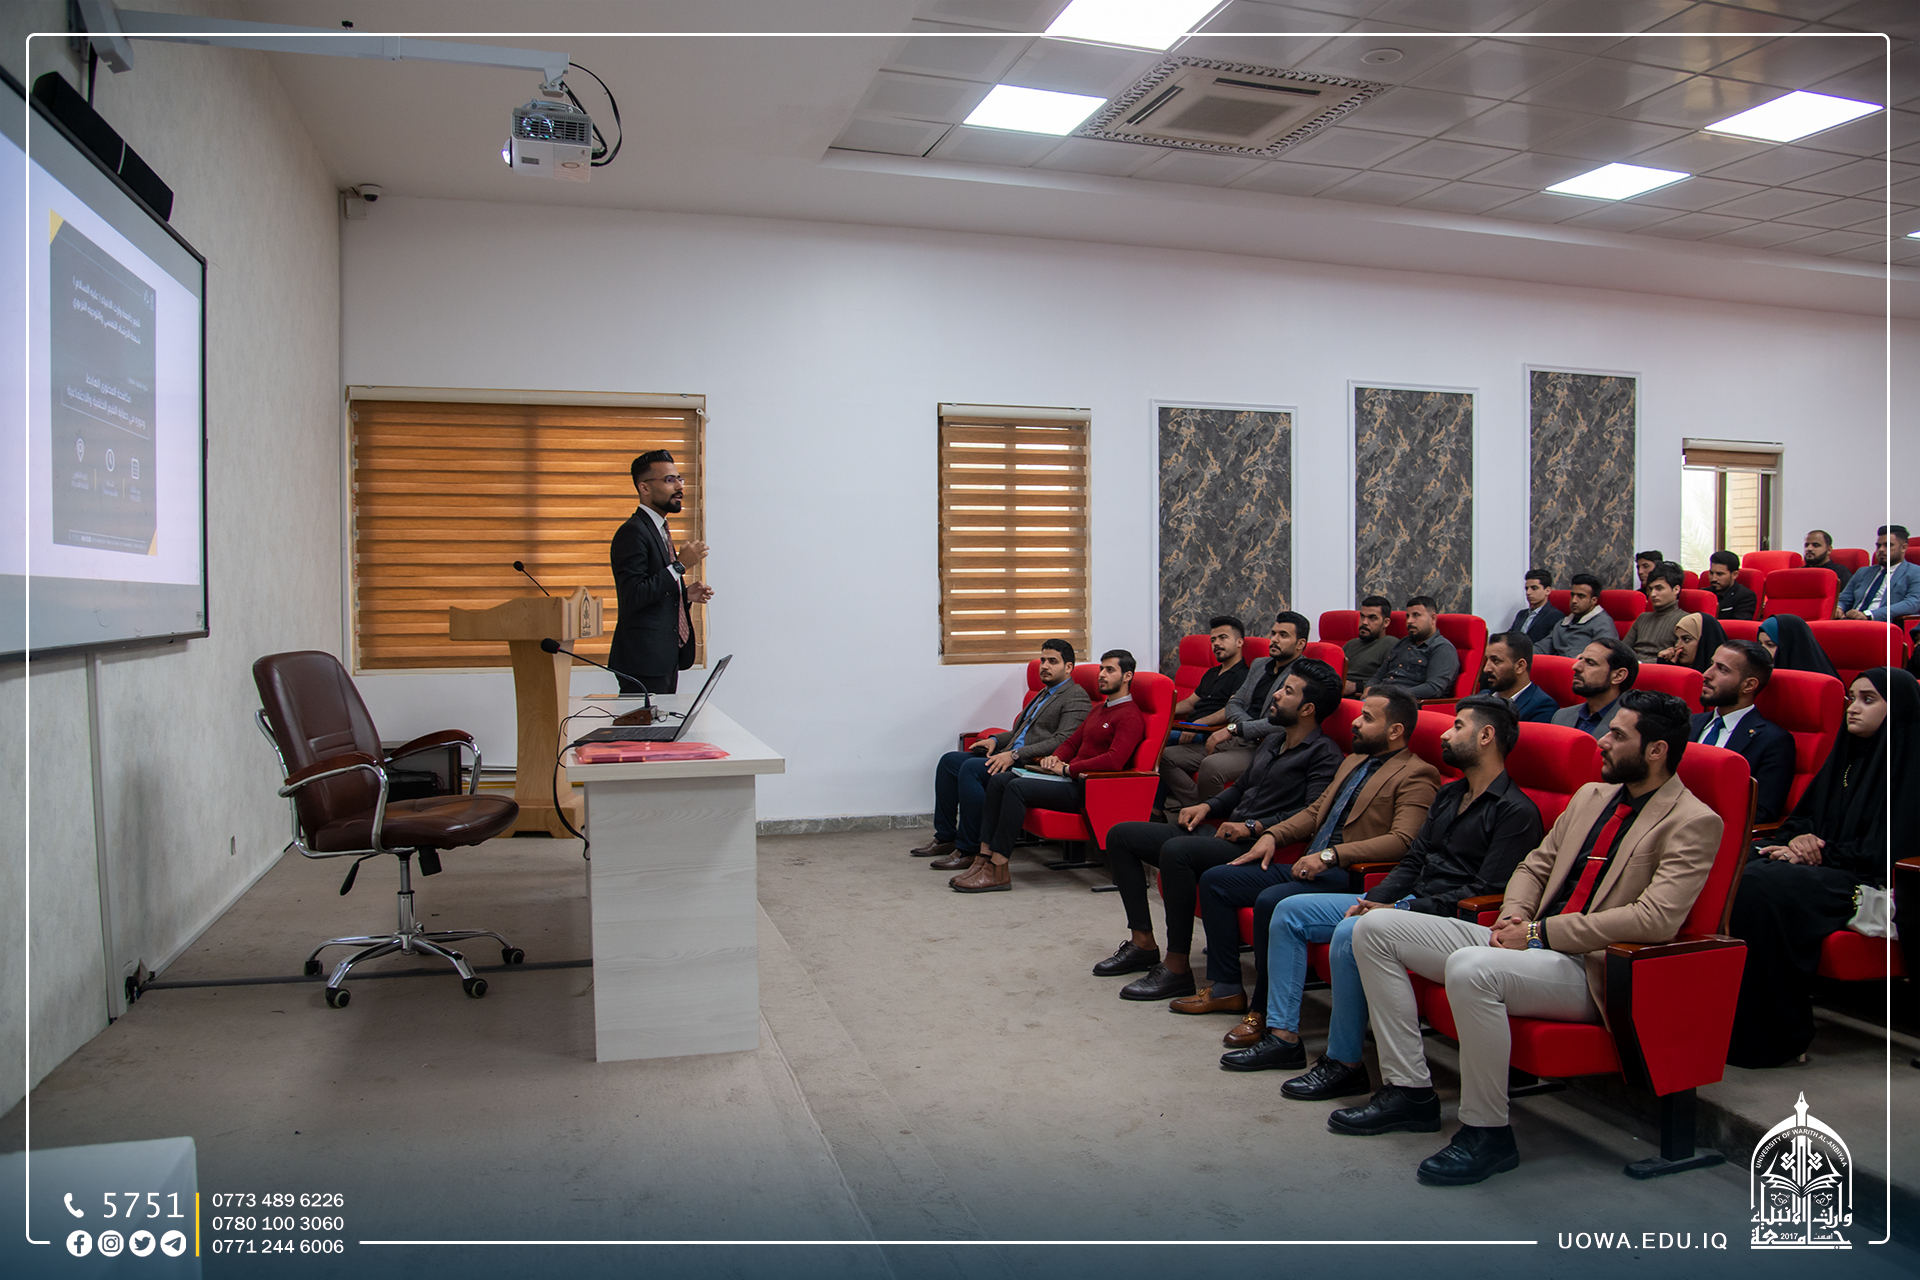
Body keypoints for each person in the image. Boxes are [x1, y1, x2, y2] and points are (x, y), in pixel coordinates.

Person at [1343, 690, 1720, 1186]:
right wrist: (1515, 916)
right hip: (1528, 943)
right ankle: (1410, 1091)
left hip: (1593, 969)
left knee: (1471, 968)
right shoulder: (1592, 797)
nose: (1602, 741)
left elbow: (1655, 920)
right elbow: (1533, 866)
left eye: (1617, 734)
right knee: (1374, 929)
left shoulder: (1694, 821)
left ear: (1656, 750)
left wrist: (1540, 932)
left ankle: (1488, 1132)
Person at [1218, 696, 1543, 1095]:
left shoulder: (1516, 812)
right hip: (1405, 903)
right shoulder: (1450, 795)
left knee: (1351, 930)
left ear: (1486, 736)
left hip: (1448, 920)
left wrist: (1397, 907)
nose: (1445, 734)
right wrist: (1376, 898)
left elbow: (1483, 892)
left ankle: (1344, 1062)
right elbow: (1413, 861)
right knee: (1288, 912)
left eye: (1458, 726)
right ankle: (1282, 1037)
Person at [1180, 687, 1440, 1024]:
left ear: (1395, 730)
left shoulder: (1417, 774)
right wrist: (1271, 834)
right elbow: (1316, 811)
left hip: (1349, 874)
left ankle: (1262, 1010)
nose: (1355, 723)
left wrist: (1332, 856)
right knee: (1216, 880)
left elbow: (1402, 841)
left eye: (1367, 718)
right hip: (1308, 863)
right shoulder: (1355, 760)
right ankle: (1227, 987)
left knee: (1270, 900)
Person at [1094, 661, 1343, 999]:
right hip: (1227, 833)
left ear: (1307, 709)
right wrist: (1208, 807)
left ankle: (1177, 966)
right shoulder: (1274, 740)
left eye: (1287, 691)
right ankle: (1143, 943)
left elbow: (1311, 815)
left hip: (1262, 848)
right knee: (1121, 836)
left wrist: (1254, 827)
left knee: (1177, 852)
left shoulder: (1324, 754)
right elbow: (1240, 789)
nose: (1276, 695)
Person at [1727, 668, 1918, 1068]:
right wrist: (1797, 841)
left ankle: (1778, 1036)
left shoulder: (1910, 766)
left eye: (1868, 700)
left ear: (1896, 709)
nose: (1853, 708)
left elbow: (1885, 851)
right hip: (1824, 866)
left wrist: (1817, 851)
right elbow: (1802, 818)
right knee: (1740, 867)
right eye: (1852, 698)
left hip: (1866, 881)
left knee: (1761, 890)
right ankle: (1723, 1022)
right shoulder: (1846, 755)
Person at [952, 651, 1146, 894]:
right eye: (1101, 669)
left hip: (1088, 788)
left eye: (1110, 670)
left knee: (1015, 787)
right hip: (1069, 779)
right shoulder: (1100, 710)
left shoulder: (1130, 715)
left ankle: (998, 869)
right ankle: (983, 858)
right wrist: (1057, 757)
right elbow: (1072, 742)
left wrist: (1068, 768)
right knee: (1001, 781)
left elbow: (1114, 760)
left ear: (1127, 676)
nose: (1102, 675)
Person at [912, 639, 1091, 869]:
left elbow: (1062, 741)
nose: (1045, 666)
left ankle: (969, 849)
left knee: (971, 770)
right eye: (1043, 660)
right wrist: (995, 740)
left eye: (1052, 661)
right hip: (1010, 753)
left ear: (1069, 667)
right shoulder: (1044, 693)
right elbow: (1019, 732)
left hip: (1031, 764)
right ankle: (946, 837)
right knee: (949, 761)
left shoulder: (1076, 696)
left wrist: (1014, 755)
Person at [1164, 612, 1310, 819]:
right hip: (1238, 737)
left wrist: (1239, 728)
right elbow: (1234, 703)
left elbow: (1283, 721)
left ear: (1300, 644)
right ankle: (1203, 810)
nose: (1275, 639)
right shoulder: (1259, 665)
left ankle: (1207, 820)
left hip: (1266, 745)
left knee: (1211, 766)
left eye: (1283, 635)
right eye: (1273, 633)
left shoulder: (1302, 675)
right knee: (1166, 757)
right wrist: (1244, 727)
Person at [608, 450, 713, 695]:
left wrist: (684, 595)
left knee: (664, 722)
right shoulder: (633, 532)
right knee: (645, 722)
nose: (679, 486)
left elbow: (653, 590)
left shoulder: (659, 529)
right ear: (644, 488)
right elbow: (633, 596)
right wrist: (680, 566)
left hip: (663, 656)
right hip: (643, 660)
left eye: (679, 478)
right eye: (669, 480)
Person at [1694, 639, 1795, 824]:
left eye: (1722, 669)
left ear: (1748, 686)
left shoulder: (1773, 741)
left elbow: (1761, 812)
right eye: (1711, 664)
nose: (1706, 674)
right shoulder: (1688, 723)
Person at [1159, 617, 1249, 811]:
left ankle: (1165, 808)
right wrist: (1162, 712)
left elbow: (1231, 709)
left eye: (1223, 638)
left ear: (1239, 642)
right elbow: (1190, 703)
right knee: (1156, 736)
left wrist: (1198, 724)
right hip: (1191, 727)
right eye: (1213, 640)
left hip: (1209, 732)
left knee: (1157, 741)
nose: (1216, 643)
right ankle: (1194, 805)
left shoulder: (1244, 675)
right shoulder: (1212, 673)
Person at [1372, 597, 1460, 701]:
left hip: (1405, 703)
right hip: (1381, 697)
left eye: (1416, 615)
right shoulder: (1403, 642)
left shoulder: (1442, 648)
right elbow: (1379, 675)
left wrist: (1392, 696)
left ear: (1432, 618)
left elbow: (1433, 689)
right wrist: (1369, 688)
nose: (1409, 621)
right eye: (1408, 616)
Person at [1551, 638, 1637, 739]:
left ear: (1618, 676)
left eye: (1590, 663)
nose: (1576, 666)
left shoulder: (1634, 724)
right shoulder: (1561, 717)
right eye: (1580, 659)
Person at [1835, 525, 1919, 624]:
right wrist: (1839, 608)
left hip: (1882, 624)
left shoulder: (1915, 572)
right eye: (1878, 546)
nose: (1881, 550)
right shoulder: (1863, 572)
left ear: (1903, 548)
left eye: (1888, 545)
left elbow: (1912, 603)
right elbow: (1844, 599)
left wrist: (1869, 615)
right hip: (1852, 622)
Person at [1479, 631, 1558, 723]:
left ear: (1520, 666)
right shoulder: (1482, 697)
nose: (1486, 669)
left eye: (1496, 661)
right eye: (1487, 660)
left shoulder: (1542, 707)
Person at [1536, 573, 1615, 658]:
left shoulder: (1603, 623)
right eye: (1572, 595)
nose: (1574, 601)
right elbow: (1543, 647)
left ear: (1593, 600)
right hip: (1557, 663)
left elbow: (1603, 655)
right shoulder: (1562, 623)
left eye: (1581, 596)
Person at [1623, 562, 1685, 660]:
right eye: (1650, 589)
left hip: (1661, 667)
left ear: (1676, 589)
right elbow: (1622, 651)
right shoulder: (1642, 618)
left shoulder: (1685, 620)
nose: (1652, 594)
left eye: (1659, 588)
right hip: (1634, 665)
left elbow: (1678, 658)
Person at [1758, 614, 1839, 680]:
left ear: (1789, 646)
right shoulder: (1759, 675)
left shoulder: (1819, 681)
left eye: (1770, 645)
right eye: (1759, 644)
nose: (1762, 650)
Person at [1343, 596, 1396, 696]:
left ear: (1386, 622)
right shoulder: (1351, 644)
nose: (1364, 622)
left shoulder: (1391, 644)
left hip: (1365, 697)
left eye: (1372, 618)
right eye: (1362, 616)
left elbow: (1393, 682)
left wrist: (1357, 686)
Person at [1508, 569, 1564, 643]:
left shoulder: (1555, 615)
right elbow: (1509, 636)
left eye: (1534, 588)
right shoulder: (1521, 614)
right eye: (1527, 588)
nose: (1528, 592)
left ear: (1547, 591)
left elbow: (1550, 644)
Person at [1705, 551, 1757, 622]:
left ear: (1734, 575)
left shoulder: (1745, 596)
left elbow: (1738, 625)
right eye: (1711, 573)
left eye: (1720, 574)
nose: (1714, 579)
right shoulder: (1704, 593)